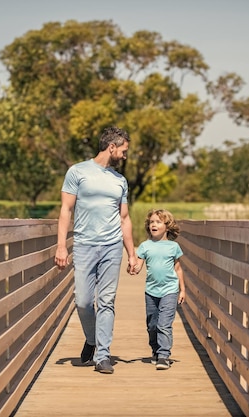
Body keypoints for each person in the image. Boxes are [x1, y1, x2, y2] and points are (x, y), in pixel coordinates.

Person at [55, 126, 139, 375]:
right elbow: (65, 211)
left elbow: (124, 218)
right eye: (123, 150)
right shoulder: (77, 172)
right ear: (111, 147)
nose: (125, 155)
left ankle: (103, 356)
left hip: (112, 247)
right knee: (82, 301)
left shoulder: (120, 180)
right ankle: (91, 339)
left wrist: (132, 253)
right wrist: (61, 245)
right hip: (83, 245)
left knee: (106, 301)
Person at [135, 209, 186, 370]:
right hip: (151, 291)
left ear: (167, 226)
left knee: (164, 324)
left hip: (170, 290)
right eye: (151, 222)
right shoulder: (145, 246)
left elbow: (178, 269)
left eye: (158, 222)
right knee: (152, 325)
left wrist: (182, 290)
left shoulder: (173, 247)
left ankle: (164, 355)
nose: (154, 225)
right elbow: (138, 265)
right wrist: (133, 267)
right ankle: (155, 349)